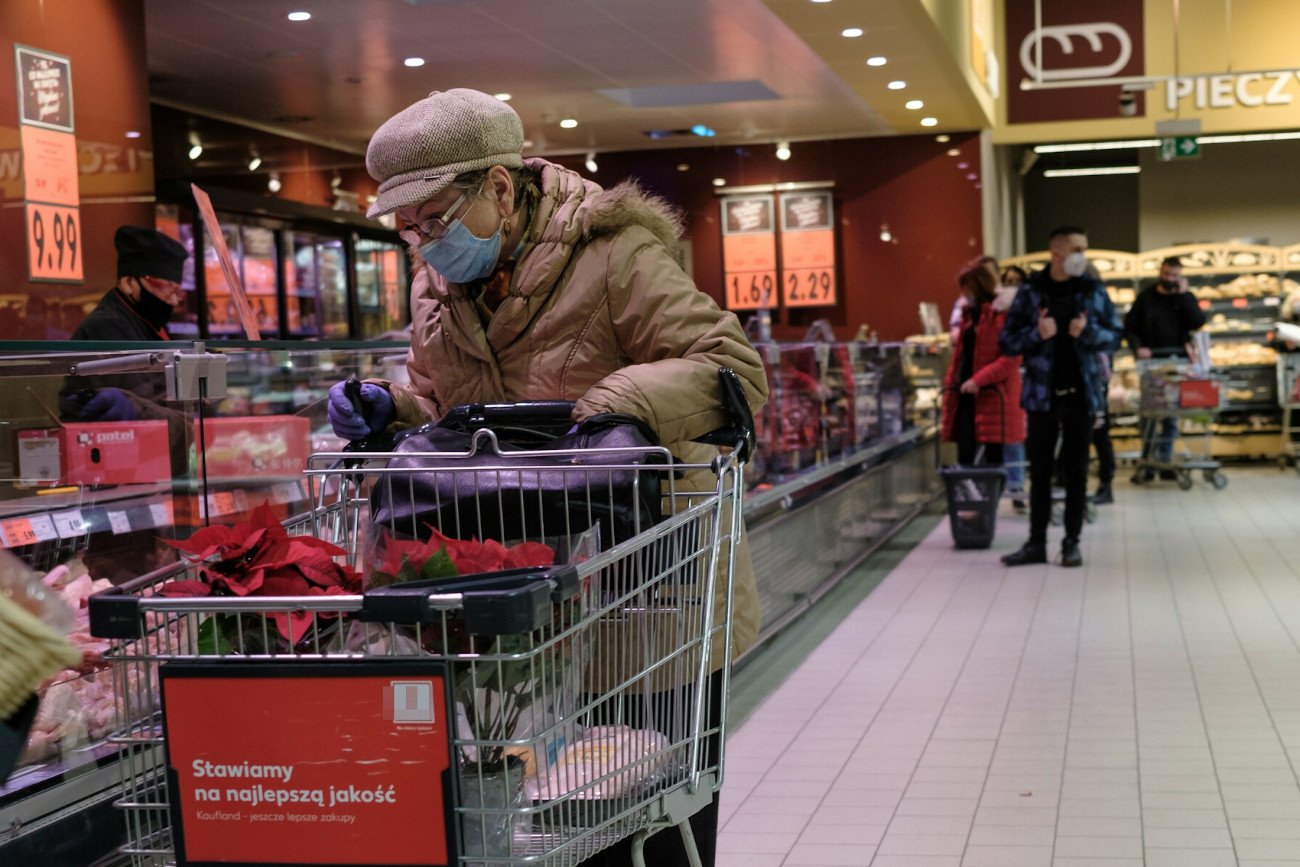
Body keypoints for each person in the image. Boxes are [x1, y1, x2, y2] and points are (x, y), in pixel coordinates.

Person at [325, 88, 768, 867]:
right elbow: (440, 399)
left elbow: (732, 371)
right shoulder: (439, 284)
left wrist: (618, 402)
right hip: (524, 603)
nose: (423, 241)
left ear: (499, 186)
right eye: (408, 227)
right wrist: (389, 408)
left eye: (434, 218)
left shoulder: (615, 255)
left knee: (654, 817)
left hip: (647, 586)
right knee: (544, 825)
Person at [999, 225, 1118, 568]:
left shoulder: (1092, 289)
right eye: (1077, 248)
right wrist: (1036, 334)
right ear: (1057, 253)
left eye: (1084, 248)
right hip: (1041, 395)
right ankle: (1036, 542)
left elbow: (1114, 335)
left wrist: (1089, 332)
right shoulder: (1031, 291)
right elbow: (1007, 341)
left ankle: (1071, 542)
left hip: (1081, 394)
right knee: (1040, 469)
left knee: (1077, 471)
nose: (1083, 255)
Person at [1124, 255, 1207, 474]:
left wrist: (1184, 295)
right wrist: (1138, 347)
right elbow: (1129, 327)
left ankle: (1166, 460)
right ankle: (1148, 461)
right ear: (1160, 273)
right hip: (1151, 363)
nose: (1169, 278)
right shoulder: (1146, 298)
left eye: (1174, 275)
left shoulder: (1183, 298)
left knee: (1171, 414)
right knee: (1150, 413)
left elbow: (1197, 322)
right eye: (1166, 274)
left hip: (1178, 362)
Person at [941, 260, 1024, 468]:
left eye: (967, 287)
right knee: (966, 454)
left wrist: (979, 379)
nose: (964, 293)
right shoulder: (969, 316)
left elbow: (1012, 358)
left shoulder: (1003, 315)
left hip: (993, 394)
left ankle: (989, 498)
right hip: (966, 394)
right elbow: (961, 356)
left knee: (992, 459)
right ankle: (971, 499)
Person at [72, 226, 187, 341]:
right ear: (127, 283)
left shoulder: (148, 322)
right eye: (165, 288)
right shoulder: (106, 328)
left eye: (177, 292)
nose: (174, 301)